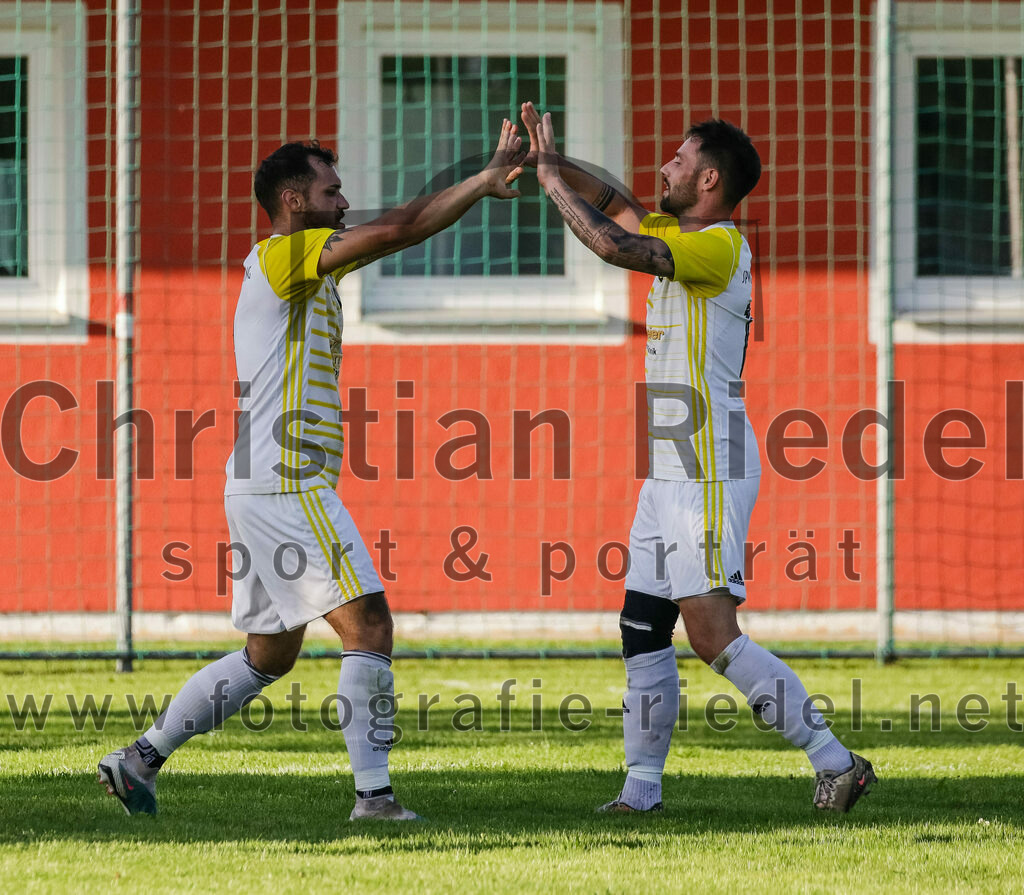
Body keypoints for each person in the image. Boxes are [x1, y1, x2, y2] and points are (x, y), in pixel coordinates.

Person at [98, 120, 525, 821]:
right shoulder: (286, 255)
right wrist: (481, 179)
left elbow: (385, 232)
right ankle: (375, 799)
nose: (344, 199)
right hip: (288, 481)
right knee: (371, 626)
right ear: (295, 201)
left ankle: (139, 759)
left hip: (259, 482)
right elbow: (399, 230)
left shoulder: (300, 267)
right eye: (331, 190)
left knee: (268, 655)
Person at [521, 101, 875, 814]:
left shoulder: (717, 246)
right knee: (642, 627)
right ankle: (640, 791)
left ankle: (837, 761)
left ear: (708, 179)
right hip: (671, 469)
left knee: (712, 634)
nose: (665, 169)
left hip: (709, 464)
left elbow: (615, 244)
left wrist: (552, 185)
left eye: (679, 161)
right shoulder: (683, 233)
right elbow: (617, 204)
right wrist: (550, 162)